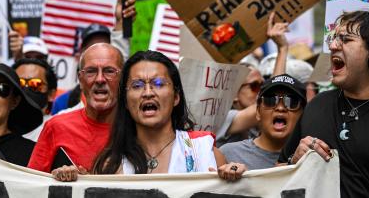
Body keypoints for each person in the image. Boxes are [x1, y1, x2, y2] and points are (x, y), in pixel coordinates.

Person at [57, 50, 245, 182]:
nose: (148, 92)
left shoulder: (205, 152)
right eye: (137, 86)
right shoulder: (110, 165)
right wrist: (70, 181)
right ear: (126, 101)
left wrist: (237, 178)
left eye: (158, 83)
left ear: (176, 97)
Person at [280, 10, 369, 198]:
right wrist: (295, 161)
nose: (332, 46)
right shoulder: (317, 104)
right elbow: (278, 174)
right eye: (332, 39)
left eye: (346, 39)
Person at [28, 43, 124, 175]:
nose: (100, 79)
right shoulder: (56, 127)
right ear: (80, 79)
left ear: (123, 79)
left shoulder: (138, 129)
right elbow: (31, 185)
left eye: (109, 71)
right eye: (91, 71)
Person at [216, 13, 288, 146]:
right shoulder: (223, 118)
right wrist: (282, 49)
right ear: (234, 95)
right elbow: (270, 99)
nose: (262, 91)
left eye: (263, 85)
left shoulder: (260, 123)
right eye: (254, 86)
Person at [220, 74, 306, 169]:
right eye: (270, 100)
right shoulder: (229, 154)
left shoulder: (309, 157)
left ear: (303, 114)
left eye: (292, 102)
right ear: (258, 112)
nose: (280, 108)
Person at [14, 58, 58, 141]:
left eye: (35, 84)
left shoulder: (57, 132)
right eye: (20, 83)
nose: (26, 89)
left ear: (51, 94)